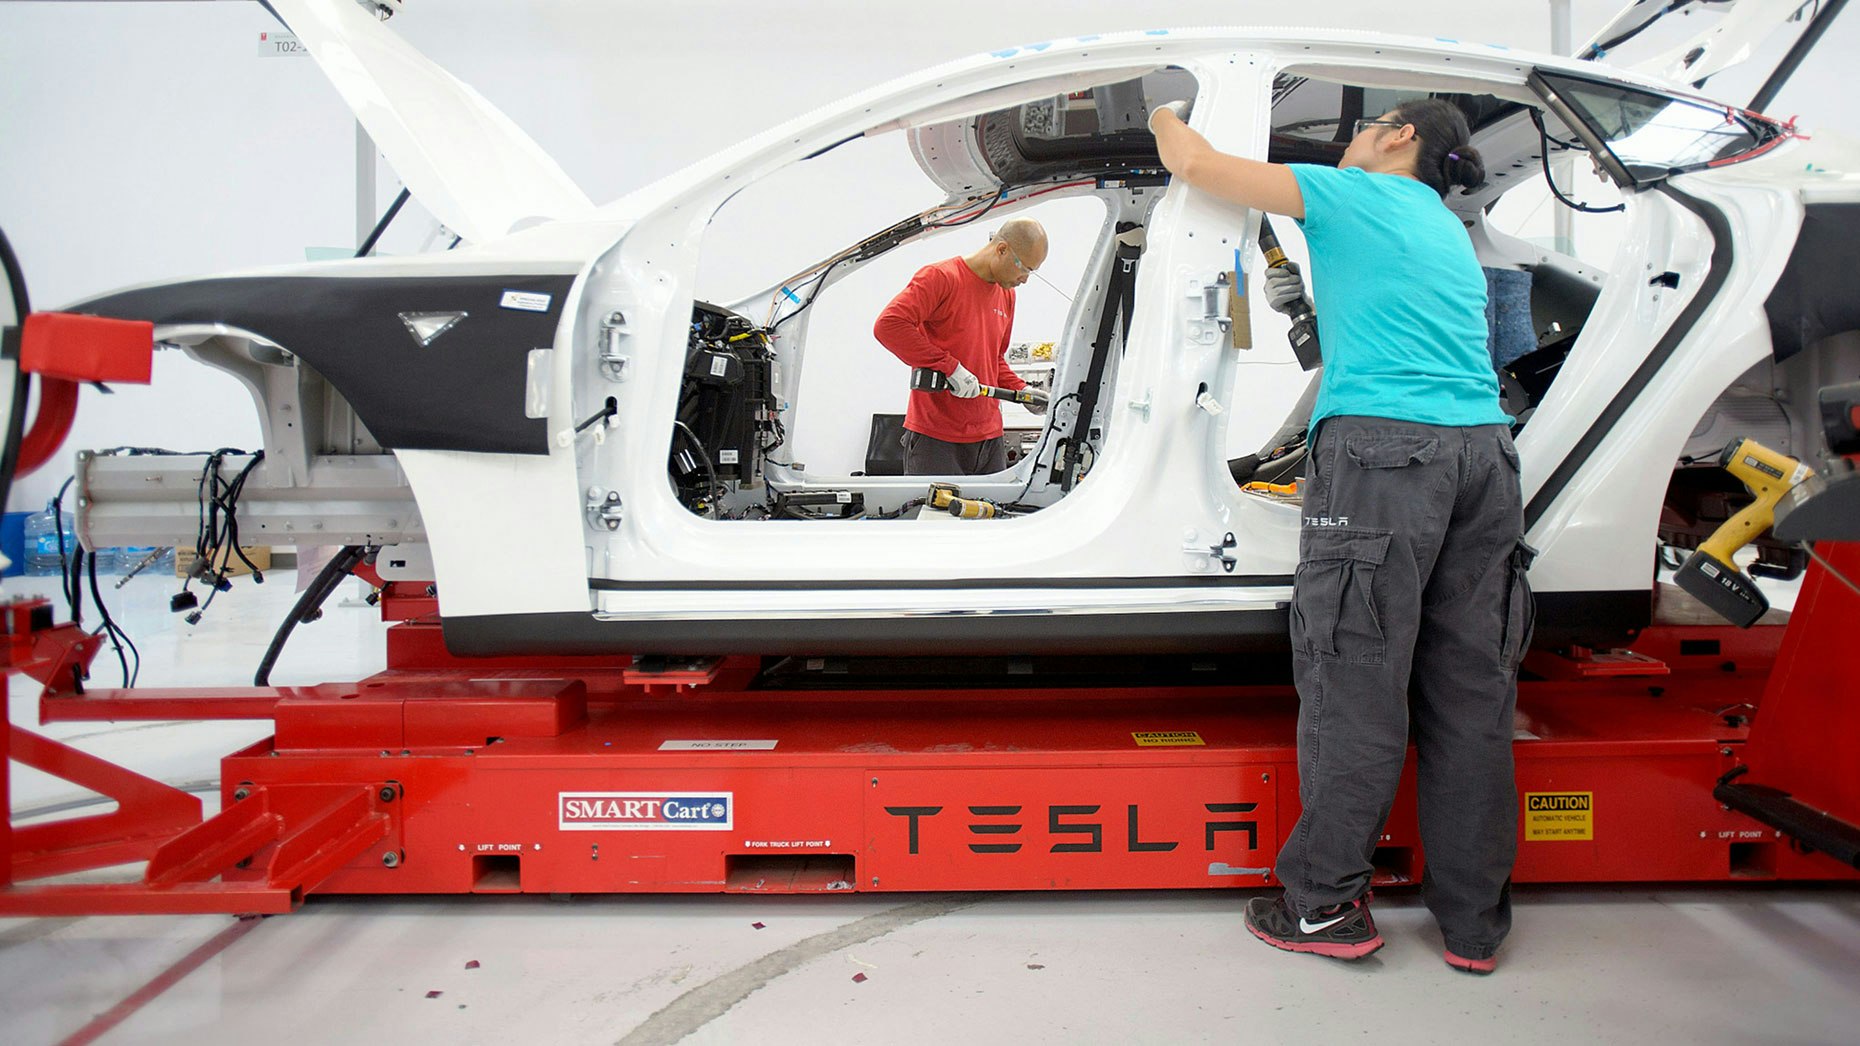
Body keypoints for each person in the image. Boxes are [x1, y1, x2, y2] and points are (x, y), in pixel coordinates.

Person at [1150, 99, 1532, 974]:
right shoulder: (1444, 227)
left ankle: (1324, 906)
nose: (1350, 142)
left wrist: (1167, 112)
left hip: (1385, 454)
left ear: (1400, 136)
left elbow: (1200, 167)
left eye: (1368, 128)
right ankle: (1474, 926)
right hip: (1485, 456)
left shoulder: (1355, 193)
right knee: (1472, 696)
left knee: (1356, 677)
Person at [873, 218, 1048, 475]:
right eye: (1026, 269)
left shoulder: (1007, 294)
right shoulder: (941, 278)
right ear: (1001, 249)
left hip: (989, 441)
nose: (1025, 279)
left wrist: (1022, 391)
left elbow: (994, 359)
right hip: (937, 440)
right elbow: (889, 325)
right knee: (938, 516)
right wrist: (950, 367)